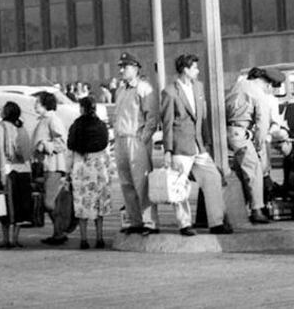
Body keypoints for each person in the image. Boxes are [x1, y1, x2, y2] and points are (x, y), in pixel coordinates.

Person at [161, 53, 232, 236]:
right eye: (194, 68)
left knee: (213, 178)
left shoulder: (198, 87)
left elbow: (203, 116)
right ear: (185, 69)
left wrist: (206, 142)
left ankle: (216, 222)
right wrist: (168, 150)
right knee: (179, 185)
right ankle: (184, 224)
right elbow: (167, 123)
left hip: (198, 145)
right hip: (180, 145)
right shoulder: (170, 92)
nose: (198, 71)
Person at [111, 51, 159, 234]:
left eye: (125, 67)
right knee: (126, 183)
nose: (121, 70)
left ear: (135, 68)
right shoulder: (121, 90)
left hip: (135, 139)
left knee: (142, 183)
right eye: (121, 67)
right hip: (121, 139)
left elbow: (151, 118)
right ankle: (135, 221)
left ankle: (150, 222)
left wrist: (143, 140)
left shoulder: (143, 88)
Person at [225, 67, 275, 224]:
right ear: (266, 83)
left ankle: (238, 208)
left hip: (229, 131)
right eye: (269, 85)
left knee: (240, 172)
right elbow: (262, 124)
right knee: (254, 171)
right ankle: (257, 210)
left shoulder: (238, 86)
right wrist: (259, 145)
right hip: (242, 133)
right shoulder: (258, 93)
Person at [0, 100, 33, 249]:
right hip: (22, 172)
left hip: (5, 173)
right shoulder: (21, 129)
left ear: (5, 113)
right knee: (19, 207)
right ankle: (14, 239)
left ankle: (5, 239)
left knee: (3, 207)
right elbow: (26, 153)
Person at [67, 96, 112, 249]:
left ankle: (84, 239)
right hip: (99, 167)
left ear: (82, 108)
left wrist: (67, 172)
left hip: (81, 167)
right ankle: (99, 238)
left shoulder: (76, 125)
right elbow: (106, 148)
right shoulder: (101, 126)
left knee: (82, 204)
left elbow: (71, 149)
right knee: (99, 205)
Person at [33, 90, 69, 245]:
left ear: (45, 104)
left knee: (49, 202)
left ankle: (60, 231)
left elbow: (62, 142)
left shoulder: (53, 120)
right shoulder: (44, 120)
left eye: (37, 102)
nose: (35, 105)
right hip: (46, 166)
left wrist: (44, 145)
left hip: (54, 166)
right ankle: (58, 232)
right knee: (49, 201)